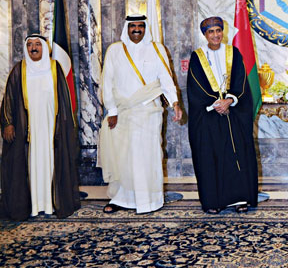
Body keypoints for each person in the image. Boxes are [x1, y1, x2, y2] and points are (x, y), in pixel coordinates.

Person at [98, 15, 182, 214]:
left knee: (147, 157)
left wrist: (175, 103)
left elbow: (166, 79)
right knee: (123, 158)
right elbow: (107, 82)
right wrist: (112, 110)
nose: (136, 29)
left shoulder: (157, 49)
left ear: (146, 28)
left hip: (149, 113)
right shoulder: (115, 50)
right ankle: (121, 199)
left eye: (140, 26)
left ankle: (149, 200)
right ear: (126, 28)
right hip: (122, 113)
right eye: (132, 26)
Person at [1, 34, 80, 220]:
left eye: (38, 44)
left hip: (51, 128)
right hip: (26, 130)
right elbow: (8, 99)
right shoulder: (19, 70)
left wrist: (64, 127)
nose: (34, 48)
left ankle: (50, 204)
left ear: (44, 48)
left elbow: (65, 101)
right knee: (29, 164)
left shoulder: (54, 68)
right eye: (30, 45)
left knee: (51, 163)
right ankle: (32, 205)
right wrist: (7, 123)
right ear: (26, 48)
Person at [187, 16, 258, 214]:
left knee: (238, 156)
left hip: (234, 113)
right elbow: (195, 86)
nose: (216, 35)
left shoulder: (233, 52)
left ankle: (240, 199)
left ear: (223, 32)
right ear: (205, 35)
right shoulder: (197, 56)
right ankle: (213, 201)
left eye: (218, 31)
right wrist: (216, 103)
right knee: (212, 157)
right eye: (211, 32)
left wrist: (230, 100)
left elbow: (240, 80)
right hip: (209, 116)